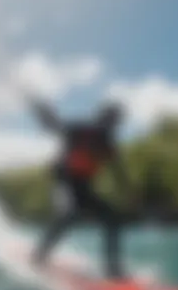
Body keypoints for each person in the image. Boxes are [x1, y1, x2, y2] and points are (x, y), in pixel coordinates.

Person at [28, 99, 133, 280]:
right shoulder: (80, 131)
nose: (112, 125)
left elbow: (118, 171)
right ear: (101, 118)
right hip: (64, 183)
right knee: (69, 214)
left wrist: (128, 191)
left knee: (112, 218)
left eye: (115, 121)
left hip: (84, 188)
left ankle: (112, 270)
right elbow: (52, 125)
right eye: (110, 120)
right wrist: (41, 109)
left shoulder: (108, 145)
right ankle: (39, 257)